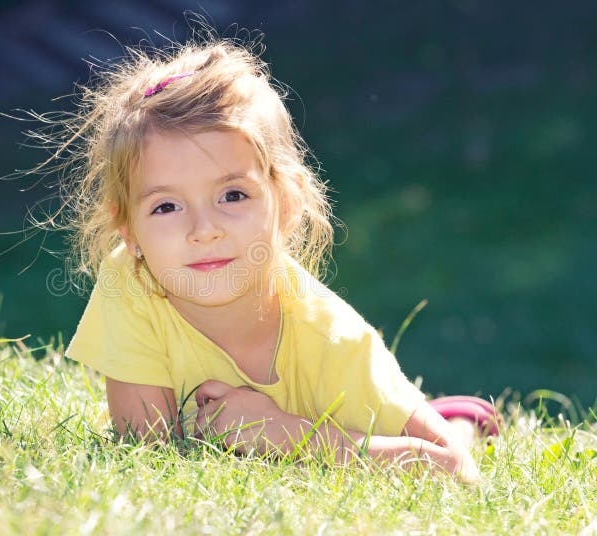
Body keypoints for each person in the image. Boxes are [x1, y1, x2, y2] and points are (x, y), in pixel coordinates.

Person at [50, 32, 498, 482]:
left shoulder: (334, 342)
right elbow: (144, 451)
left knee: (446, 436)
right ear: (130, 233)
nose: (204, 230)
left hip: (344, 412)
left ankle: (460, 417)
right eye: (166, 206)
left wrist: (289, 436)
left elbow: (456, 470)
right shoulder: (131, 279)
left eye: (232, 194)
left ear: (285, 204)